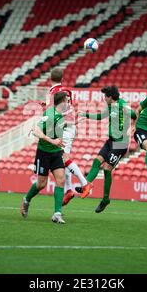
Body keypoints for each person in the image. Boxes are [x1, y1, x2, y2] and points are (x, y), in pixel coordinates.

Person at [77, 86, 137, 213]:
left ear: (110, 97)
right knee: (96, 161)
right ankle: (86, 185)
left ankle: (105, 199)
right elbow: (100, 116)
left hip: (120, 143)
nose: (104, 99)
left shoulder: (123, 105)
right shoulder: (110, 107)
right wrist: (85, 115)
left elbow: (134, 114)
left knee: (106, 169)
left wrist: (133, 127)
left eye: (105, 96)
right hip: (110, 141)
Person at [45, 68, 92, 206]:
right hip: (69, 126)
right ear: (62, 78)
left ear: (50, 78)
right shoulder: (68, 91)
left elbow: (51, 111)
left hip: (64, 128)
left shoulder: (53, 92)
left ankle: (85, 184)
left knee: (64, 158)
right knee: (61, 161)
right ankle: (69, 190)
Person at [20, 92, 69, 224]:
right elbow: (35, 130)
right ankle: (27, 199)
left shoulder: (59, 115)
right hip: (44, 152)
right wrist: (51, 141)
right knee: (42, 184)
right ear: (62, 102)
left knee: (61, 180)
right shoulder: (50, 115)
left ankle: (57, 213)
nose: (69, 103)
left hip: (56, 153)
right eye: (67, 101)